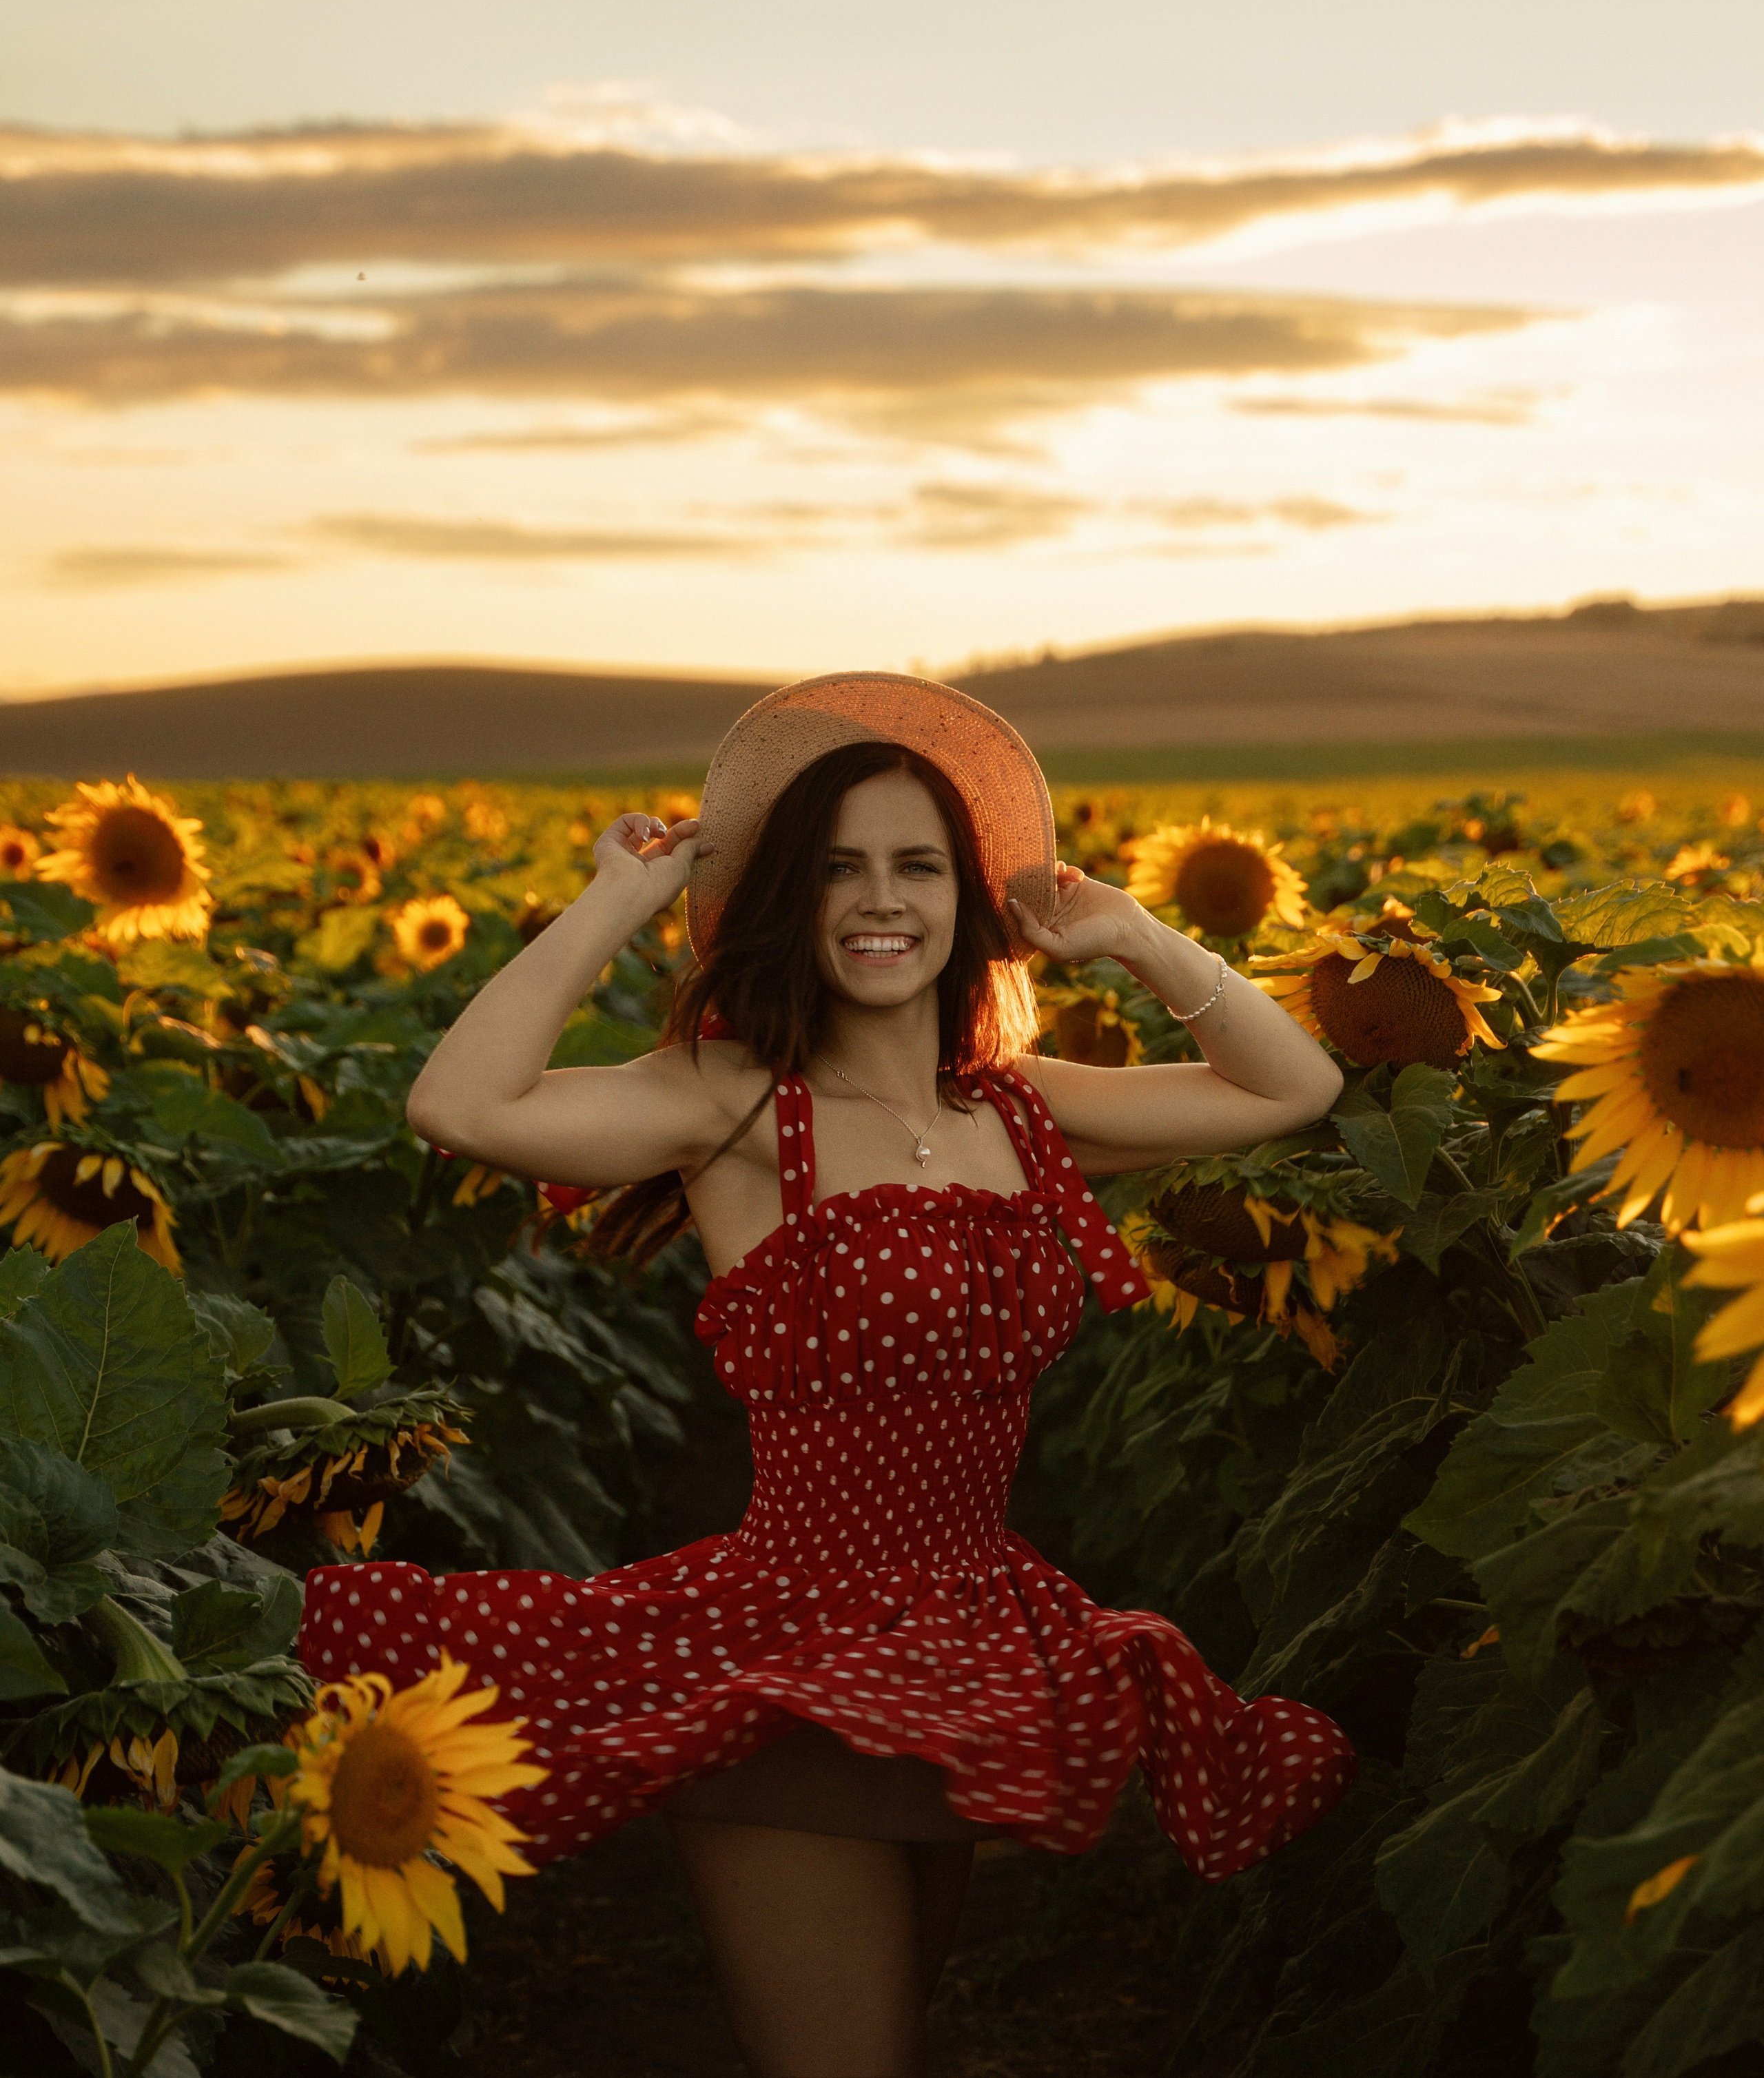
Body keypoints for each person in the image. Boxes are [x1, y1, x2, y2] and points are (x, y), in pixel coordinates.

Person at [299, 673, 1355, 2078]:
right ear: (790, 902)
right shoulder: (733, 1100)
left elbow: (1292, 1089)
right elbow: (459, 1107)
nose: (882, 900)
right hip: (785, 1659)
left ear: (965, 904)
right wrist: (621, 900)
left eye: (918, 866)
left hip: (974, 1647)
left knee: (887, 2045)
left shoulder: (1022, 1112)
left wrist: (1133, 935)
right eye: (841, 868)